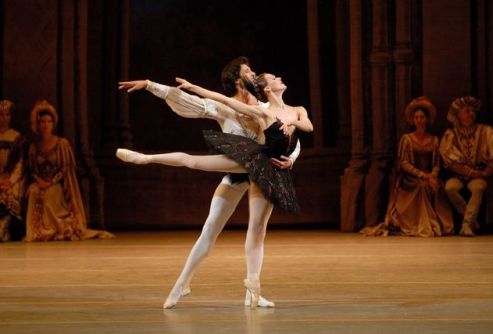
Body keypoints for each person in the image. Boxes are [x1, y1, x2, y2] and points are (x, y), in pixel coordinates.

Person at [117, 73, 313, 308]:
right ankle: (144, 158)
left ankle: (253, 290)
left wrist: (291, 150)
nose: (279, 77)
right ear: (263, 87)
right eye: (270, 77)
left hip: (271, 171)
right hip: (252, 162)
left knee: (258, 228)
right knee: (198, 172)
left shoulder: (294, 109)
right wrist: (181, 86)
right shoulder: (260, 111)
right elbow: (219, 99)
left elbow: (304, 131)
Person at [361, 97, 453, 237]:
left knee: (437, 186)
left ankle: (439, 224)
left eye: (422, 117)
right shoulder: (407, 139)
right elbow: (404, 162)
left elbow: (436, 163)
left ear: (427, 119)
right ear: (413, 120)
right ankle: (420, 224)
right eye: (416, 117)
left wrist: (433, 174)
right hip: (410, 178)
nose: (419, 120)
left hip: (429, 176)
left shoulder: (434, 139)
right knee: (422, 186)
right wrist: (422, 175)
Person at [24, 100, 114, 242]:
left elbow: (65, 168)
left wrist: (51, 182)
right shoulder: (33, 147)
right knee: (33, 190)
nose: (46, 125)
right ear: (38, 124)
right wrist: (39, 180)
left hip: (56, 183)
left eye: (48, 121)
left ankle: (55, 228)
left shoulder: (61, 144)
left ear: (53, 124)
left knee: (50, 194)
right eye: (42, 122)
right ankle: (38, 230)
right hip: (40, 182)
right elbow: (32, 169)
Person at [439, 96, 493, 237]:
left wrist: (486, 171)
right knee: (450, 188)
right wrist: (469, 172)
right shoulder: (451, 134)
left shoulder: (485, 131)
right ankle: (472, 221)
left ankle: (466, 225)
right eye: (467, 111)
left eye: (473, 111)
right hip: (460, 174)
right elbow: (449, 159)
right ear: (458, 115)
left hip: (479, 173)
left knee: (478, 188)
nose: (471, 114)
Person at [0, 100, 26, 241]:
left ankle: (6, 228)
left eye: (7, 115)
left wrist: (9, 181)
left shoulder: (17, 138)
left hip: (12, 179)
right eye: (1, 115)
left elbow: (20, 164)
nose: (4, 118)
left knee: (10, 194)